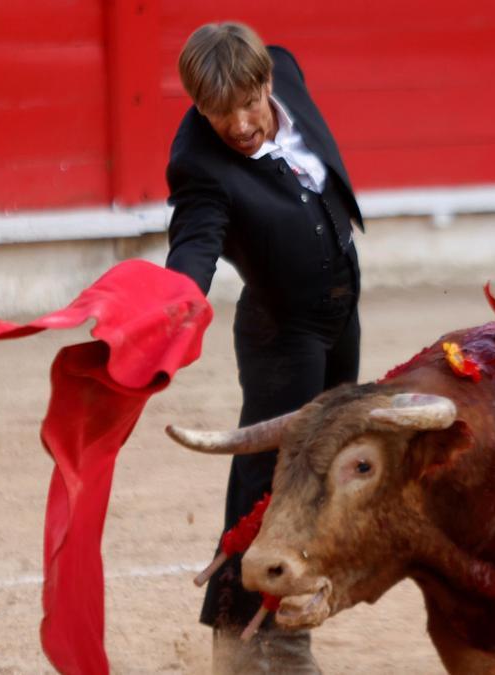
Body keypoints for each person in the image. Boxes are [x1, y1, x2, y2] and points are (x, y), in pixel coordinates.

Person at [163, 22, 364, 674]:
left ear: (267, 83)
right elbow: (195, 240)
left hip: (340, 313)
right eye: (220, 114)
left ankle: (294, 609)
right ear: (198, 105)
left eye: (249, 105)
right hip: (283, 333)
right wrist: (175, 300)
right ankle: (242, 637)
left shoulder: (283, 65)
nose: (241, 124)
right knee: (264, 482)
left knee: (326, 462)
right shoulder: (197, 161)